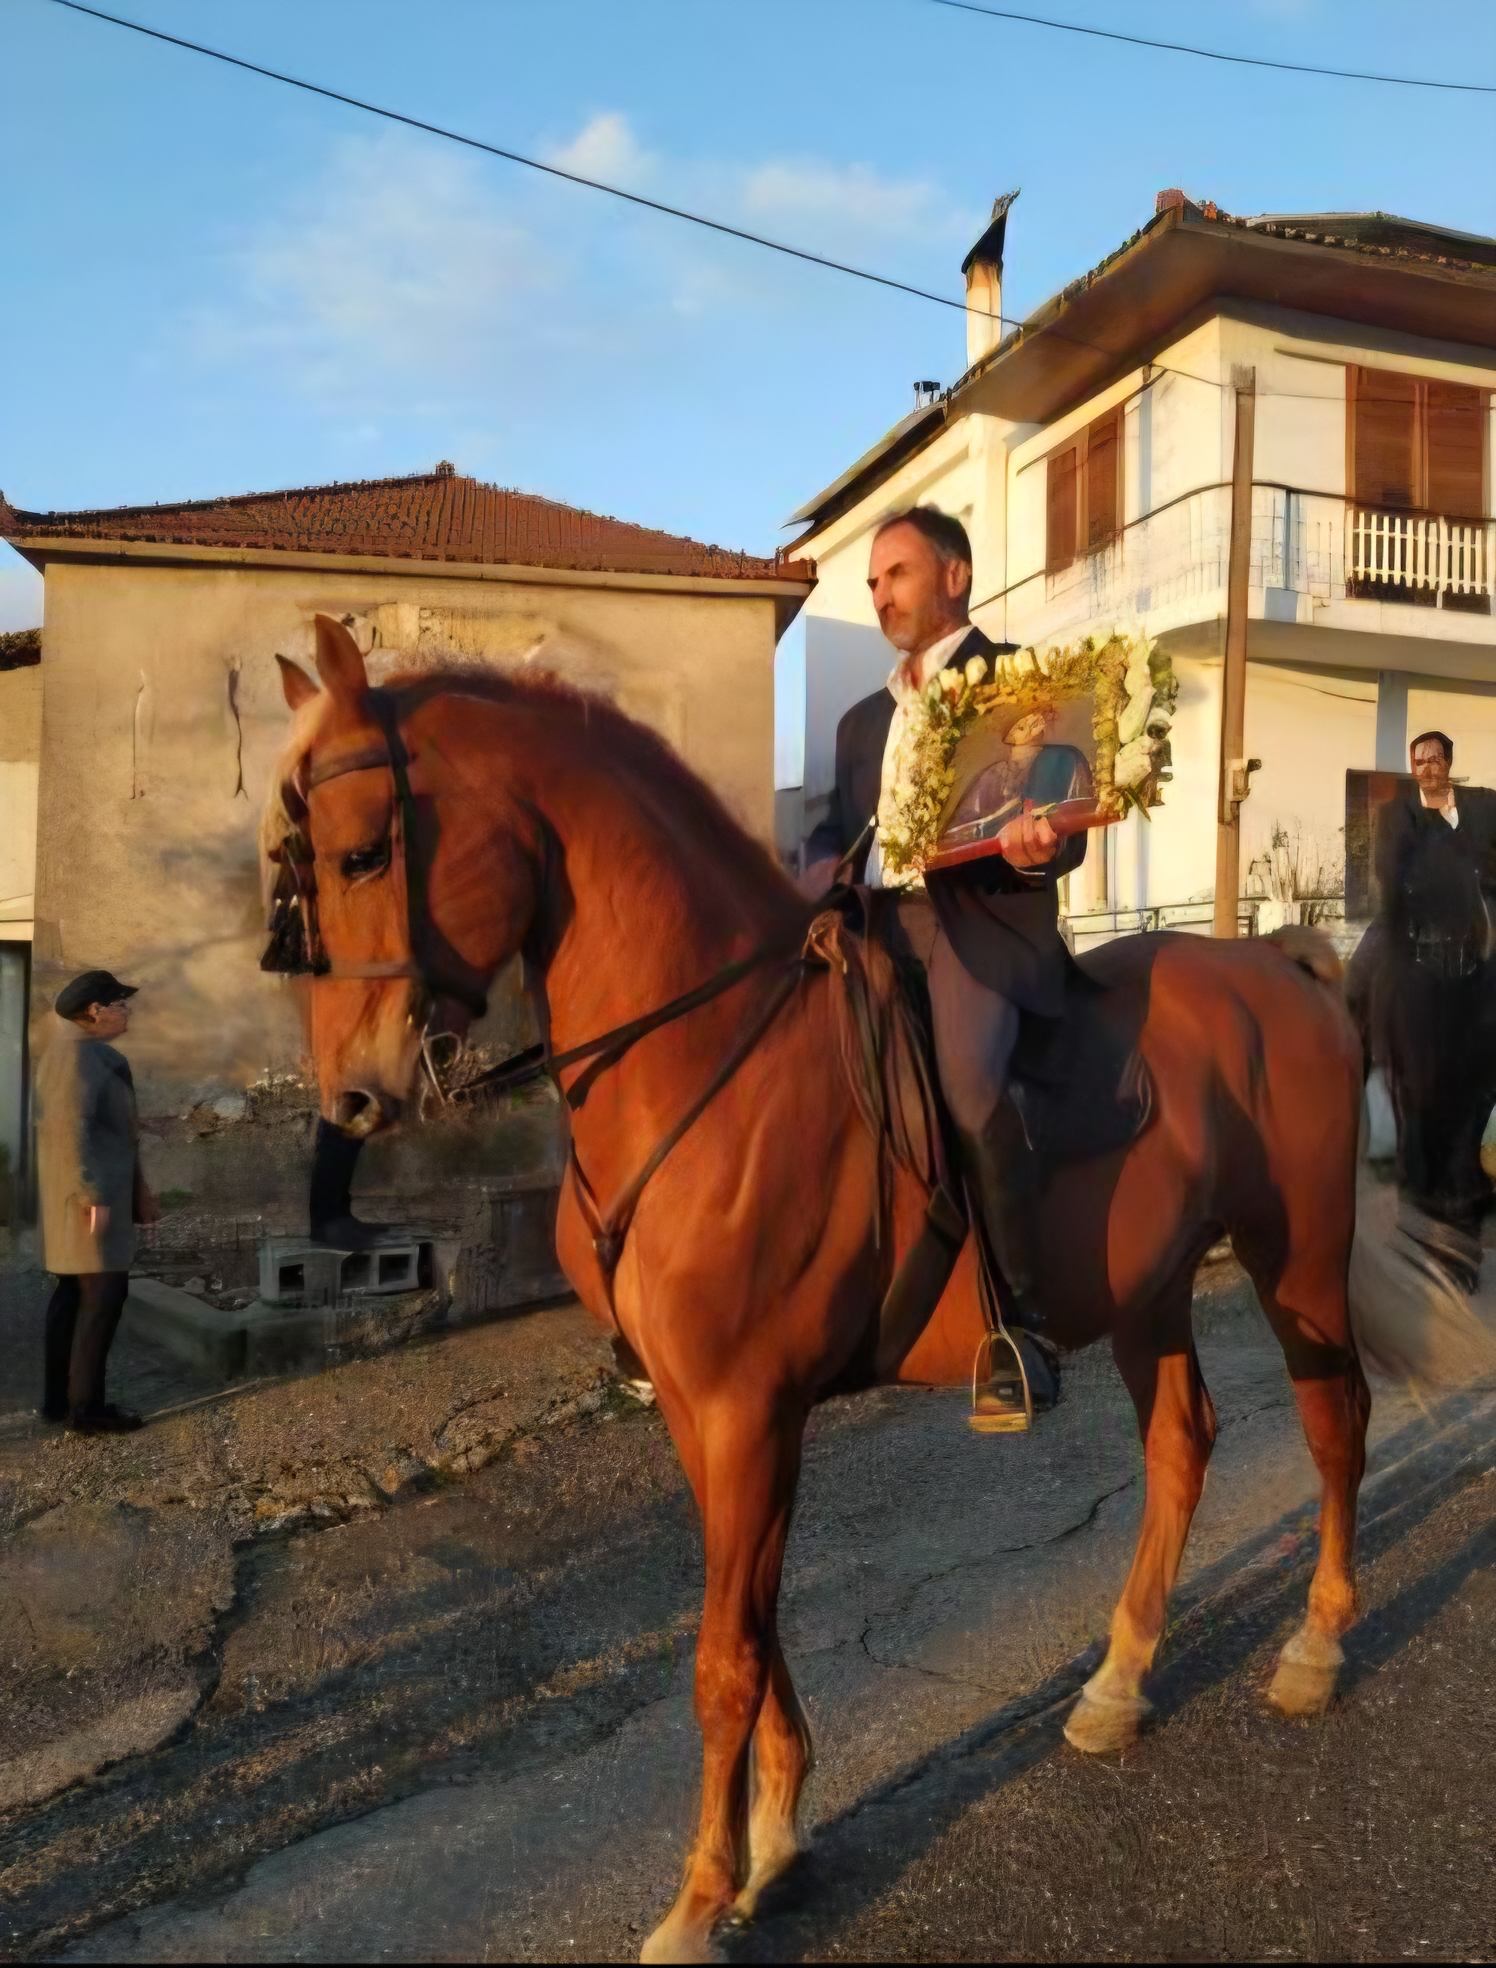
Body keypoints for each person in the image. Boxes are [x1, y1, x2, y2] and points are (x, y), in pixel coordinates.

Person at [804, 507, 1089, 1381]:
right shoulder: (860, 722)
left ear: (954, 576)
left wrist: (1046, 845)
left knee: (967, 1084)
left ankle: (1022, 1320)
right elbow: (828, 831)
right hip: (871, 929)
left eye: (896, 573)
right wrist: (817, 878)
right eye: (874, 582)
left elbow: (1067, 810)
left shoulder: (1021, 684)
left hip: (976, 927)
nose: (880, 594)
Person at [1352, 729, 1496, 1286]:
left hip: (1478, 921)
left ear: (1450, 763)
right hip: (1416, 924)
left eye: (1437, 759)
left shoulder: (1482, 805)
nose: (1430, 767)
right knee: (1361, 975)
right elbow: (1396, 871)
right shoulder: (1399, 813)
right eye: (1421, 761)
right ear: (1414, 769)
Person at [34, 969, 158, 1432]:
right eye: (120, 1003)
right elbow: (74, 1132)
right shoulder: (82, 1060)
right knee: (101, 1295)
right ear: (96, 1010)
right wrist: (91, 1197)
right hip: (88, 1199)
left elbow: (121, 1136)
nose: (127, 1011)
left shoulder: (80, 1055)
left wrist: (140, 1194)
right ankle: (85, 1410)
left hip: (89, 1195)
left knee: (73, 1293)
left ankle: (57, 1402)